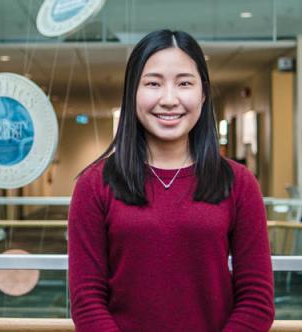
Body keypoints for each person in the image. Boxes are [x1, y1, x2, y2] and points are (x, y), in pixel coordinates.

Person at [68, 29, 274, 331]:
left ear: (203, 93)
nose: (168, 99)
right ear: (132, 93)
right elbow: (87, 301)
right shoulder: (94, 184)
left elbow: (257, 301)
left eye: (184, 83)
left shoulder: (239, 183)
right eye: (153, 83)